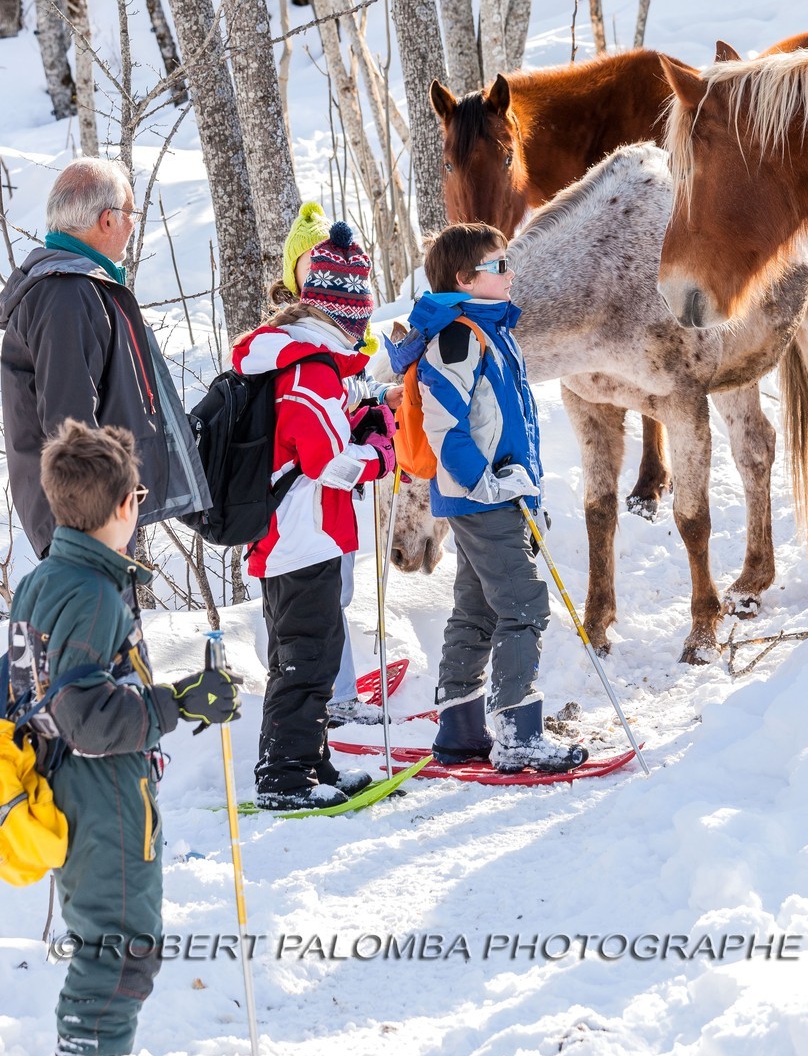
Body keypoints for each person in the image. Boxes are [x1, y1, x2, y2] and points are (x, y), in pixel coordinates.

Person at [9, 419, 239, 1056]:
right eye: (137, 493)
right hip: (100, 792)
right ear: (123, 508)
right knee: (123, 938)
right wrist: (176, 703)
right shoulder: (90, 593)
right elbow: (81, 715)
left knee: (106, 934)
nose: (139, 504)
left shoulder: (52, 577)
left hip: (81, 786)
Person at [388, 222, 588, 772]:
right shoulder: (458, 336)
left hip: (489, 496)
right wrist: (487, 483)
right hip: (484, 498)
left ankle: (459, 729)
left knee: (476, 612)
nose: (510, 273)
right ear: (464, 278)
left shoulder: (485, 330)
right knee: (524, 605)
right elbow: (443, 425)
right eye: (498, 266)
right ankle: (518, 733)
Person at [232, 221, 397, 810]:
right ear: (342, 315)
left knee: (310, 653)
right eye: (358, 318)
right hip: (303, 537)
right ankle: (283, 777)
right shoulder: (310, 367)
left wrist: (362, 405)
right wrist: (376, 457)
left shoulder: (301, 361)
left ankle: (310, 761)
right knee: (305, 658)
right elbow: (323, 455)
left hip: (297, 535)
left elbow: (314, 422)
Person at [0, 158, 209, 560]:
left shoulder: (77, 288)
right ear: (107, 220)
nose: (133, 224)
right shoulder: (66, 295)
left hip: (92, 515)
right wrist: (92, 531)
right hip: (83, 525)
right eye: (130, 213)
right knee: (102, 623)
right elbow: (70, 422)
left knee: (115, 624)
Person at [275, 201, 403, 721]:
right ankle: (335, 698)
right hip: (308, 501)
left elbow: (347, 390)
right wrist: (374, 455)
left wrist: (376, 401)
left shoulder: (334, 341)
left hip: (331, 499)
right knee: (324, 599)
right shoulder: (302, 348)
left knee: (336, 595)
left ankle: (336, 687)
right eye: (311, 260)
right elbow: (317, 443)